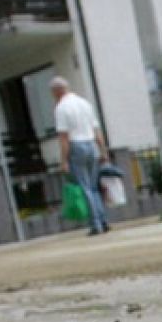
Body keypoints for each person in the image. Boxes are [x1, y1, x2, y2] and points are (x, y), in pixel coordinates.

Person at [51, 77, 110, 236]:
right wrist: (103, 151)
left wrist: (63, 161)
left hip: (76, 146)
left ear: (56, 92)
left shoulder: (61, 108)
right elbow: (97, 130)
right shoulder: (85, 104)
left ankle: (95, 224)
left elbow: (64, 138)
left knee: (85, 187)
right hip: (91, 144)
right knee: (93, 186)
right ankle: (103, 220)